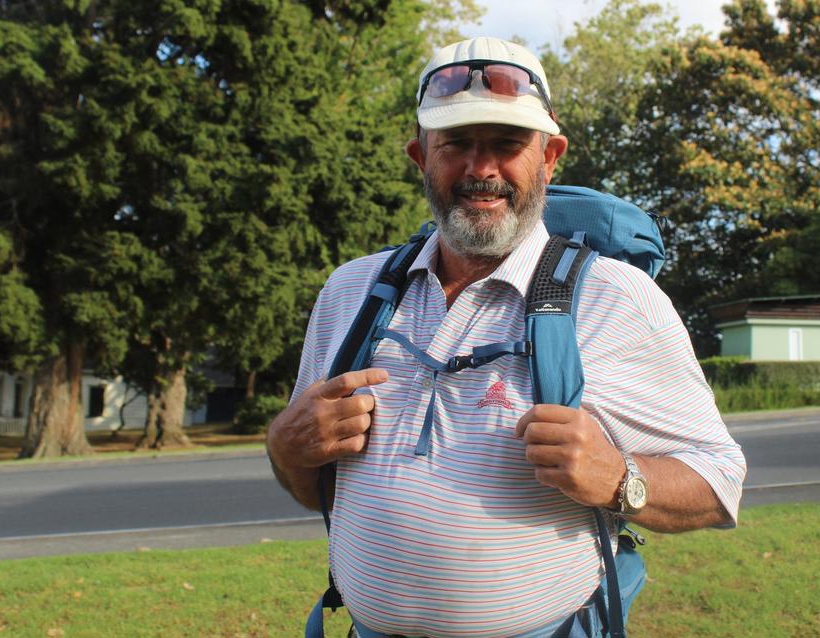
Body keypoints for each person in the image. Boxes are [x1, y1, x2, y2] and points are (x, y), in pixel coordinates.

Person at [267, 37, 746, 638]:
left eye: (507, 144)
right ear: (420, 158)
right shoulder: (351, 290)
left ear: (550, 158)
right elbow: (311, 480)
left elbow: (719, 481)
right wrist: (285, 448)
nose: (481, 169)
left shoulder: (614, 296)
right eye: (456, 144)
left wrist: (618, 477)